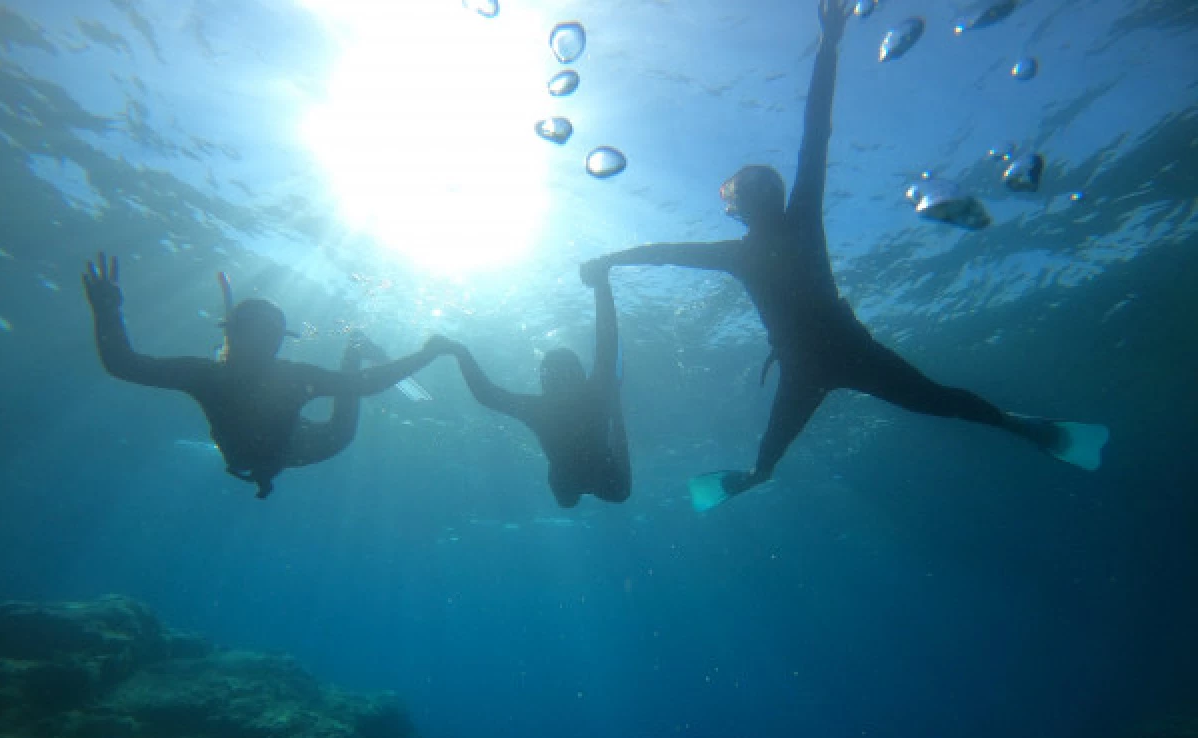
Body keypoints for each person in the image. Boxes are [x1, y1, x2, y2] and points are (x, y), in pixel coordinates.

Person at [580, 0, 1108, 511]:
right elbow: (816, 134)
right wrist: (829, 44)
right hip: (846, 352)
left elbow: (668, 252)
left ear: (738, 208)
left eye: (736, 194)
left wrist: (610, 260)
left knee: (777, 452)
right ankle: (1018, 426)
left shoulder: (744, 249)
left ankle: (756, 475)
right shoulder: (797, 220)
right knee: (936, 400)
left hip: (805, 367)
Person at [83, 252, 448, 499]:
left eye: (267, 336)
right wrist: (426, 353)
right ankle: (352, 352)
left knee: (338, 430)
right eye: (256, 334)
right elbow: (123, 365)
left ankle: (353, 352)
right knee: (340, 430)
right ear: (233, 335)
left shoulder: (209, 375)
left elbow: (123, 364)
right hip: (289, 449)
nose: (260, 344)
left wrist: (108, 311)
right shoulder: (218, 375)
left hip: (287, 447)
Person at [428, 270, 629, 508]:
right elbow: (607, 341)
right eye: (555, 375)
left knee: (597, 496)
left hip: (580, 476)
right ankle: (616, 409)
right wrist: (601, 283)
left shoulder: (542, 408)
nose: (559, 381)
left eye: (559, 375)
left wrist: (460, 352)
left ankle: (616, 410)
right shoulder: (586, 394)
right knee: (598, 496)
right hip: (587, 474)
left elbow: (487, 395)